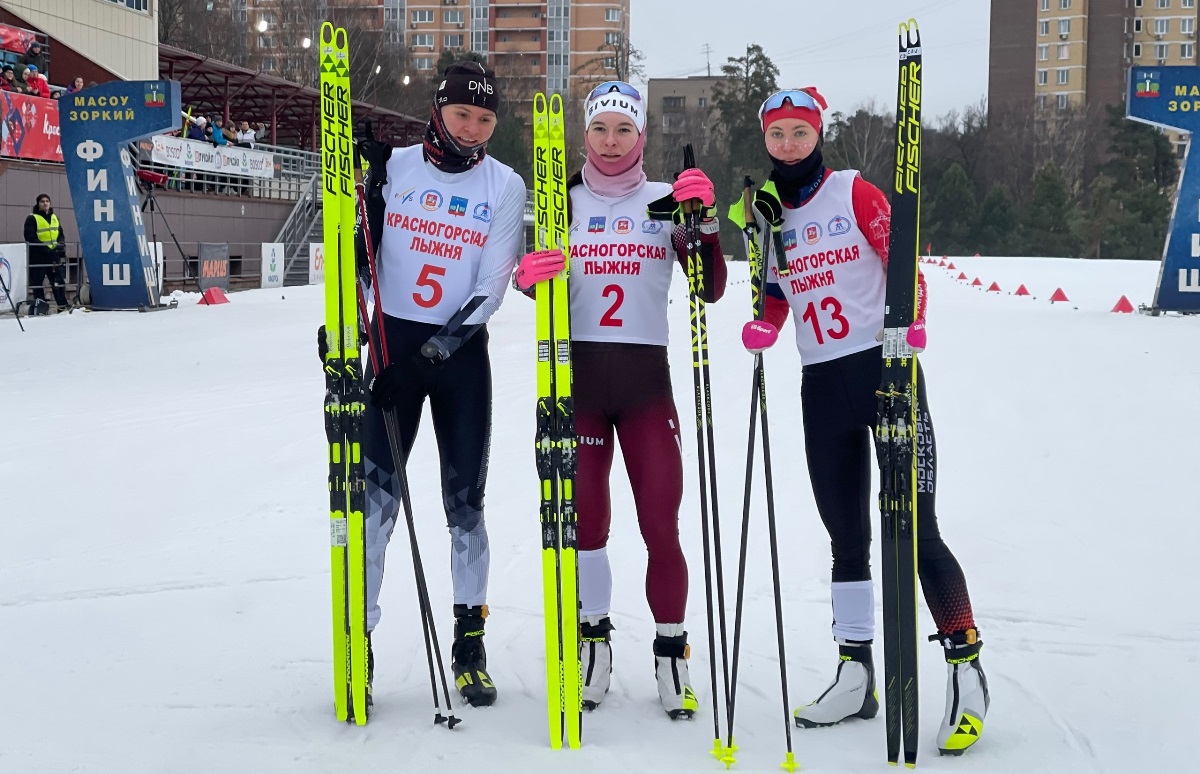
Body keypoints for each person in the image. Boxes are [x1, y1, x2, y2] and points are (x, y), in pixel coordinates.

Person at [735, 88, 989, 755]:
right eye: (778, 134)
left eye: (800, 131)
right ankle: (857, 672)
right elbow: (777, 289)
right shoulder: (769, 211)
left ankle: (966, 671)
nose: (789, 143)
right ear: (765, 139)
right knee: (845, 538)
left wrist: (912, 330)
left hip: (886, 373)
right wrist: (765, 322)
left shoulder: (854, 191)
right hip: (821, 385)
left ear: (818, 134)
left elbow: (902, 264)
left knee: (916, 531)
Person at [512, 81, 727, 719]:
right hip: (579, 385)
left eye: (624, 130)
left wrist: (704, 225)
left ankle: (670, 656)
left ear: (642, 137)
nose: (611, 142)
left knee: (662, 524)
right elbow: (540, 278)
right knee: (588, 527)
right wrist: (527, 278)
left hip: (644, 386)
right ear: (585, 135)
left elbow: (710, 287)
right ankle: (595, 644)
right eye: (601, 129)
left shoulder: (666, 201)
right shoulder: (562, 201)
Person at [354, 61, 525, 708]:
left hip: (455, 360)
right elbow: (362, 269)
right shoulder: (392, 166)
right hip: (391, 355)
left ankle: (469, 646)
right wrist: (367, 202)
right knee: (374, 505)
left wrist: (424, 357)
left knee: (465, 508)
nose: (473, 128)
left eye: (485, 119)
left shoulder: (502, 184)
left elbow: (490, 288)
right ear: (437, 108)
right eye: (463, 115)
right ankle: (358, 640)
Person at [23, 193, 70, 314]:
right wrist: (45, 248)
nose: (45, 203)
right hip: (38, 256)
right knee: (38, 283)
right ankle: (41, 308)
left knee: (58, 281)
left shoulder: (54, 217)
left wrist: (60, 245)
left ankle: (62, 306)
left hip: (54, 256)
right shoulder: (32, 218)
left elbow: (60, 234)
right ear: (38, 204)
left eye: (47, 201)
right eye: (42, 201)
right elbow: (30, 237)